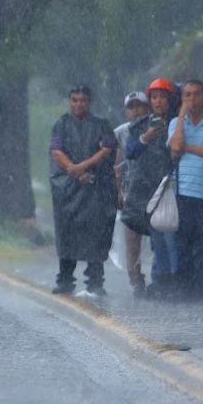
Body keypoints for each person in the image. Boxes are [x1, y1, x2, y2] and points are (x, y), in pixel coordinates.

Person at [50, 85, 117, 296]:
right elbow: (56, 151)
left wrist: (84, 166)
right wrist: (74, 170)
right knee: (67, 231)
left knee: (96, 232)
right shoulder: (61, 125)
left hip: (95, 188)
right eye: (75, 100)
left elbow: (107, 149)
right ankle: (65, 280)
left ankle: (95, 281)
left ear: (89, 102)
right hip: (68, 189)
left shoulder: (101, 125)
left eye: (83, 100)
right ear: (69, 101)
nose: (79, 104)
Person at [168, 80, 203, 298]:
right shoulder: (175, 123)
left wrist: (188, 148)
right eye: (187, 95)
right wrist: (182, 116)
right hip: (183, 192)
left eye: (196, 94)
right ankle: (184, 291)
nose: (191, 99)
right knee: (183, 242)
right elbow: (174, 149)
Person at [124, 78, 179, 299]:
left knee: (170, 236)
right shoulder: (141, 125)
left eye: (162, 97)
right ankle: (158, 280)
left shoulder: (177, 123)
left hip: (172, 187)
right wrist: (145, 139)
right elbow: (130, 151)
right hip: (146, 191)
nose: (158, 102)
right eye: (154, 97)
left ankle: (173, 278)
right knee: (156, 235)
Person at [114, 91, 150, 296]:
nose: (136, 111)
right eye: (132, 107)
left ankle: (162, 276)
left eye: (140, 106)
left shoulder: (156, 128)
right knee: (132, 239)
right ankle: (136, 279)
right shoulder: (122, 132)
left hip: (153, 189)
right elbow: (118, 165)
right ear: (126, 111)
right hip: (131, 190)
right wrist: (119, 191)